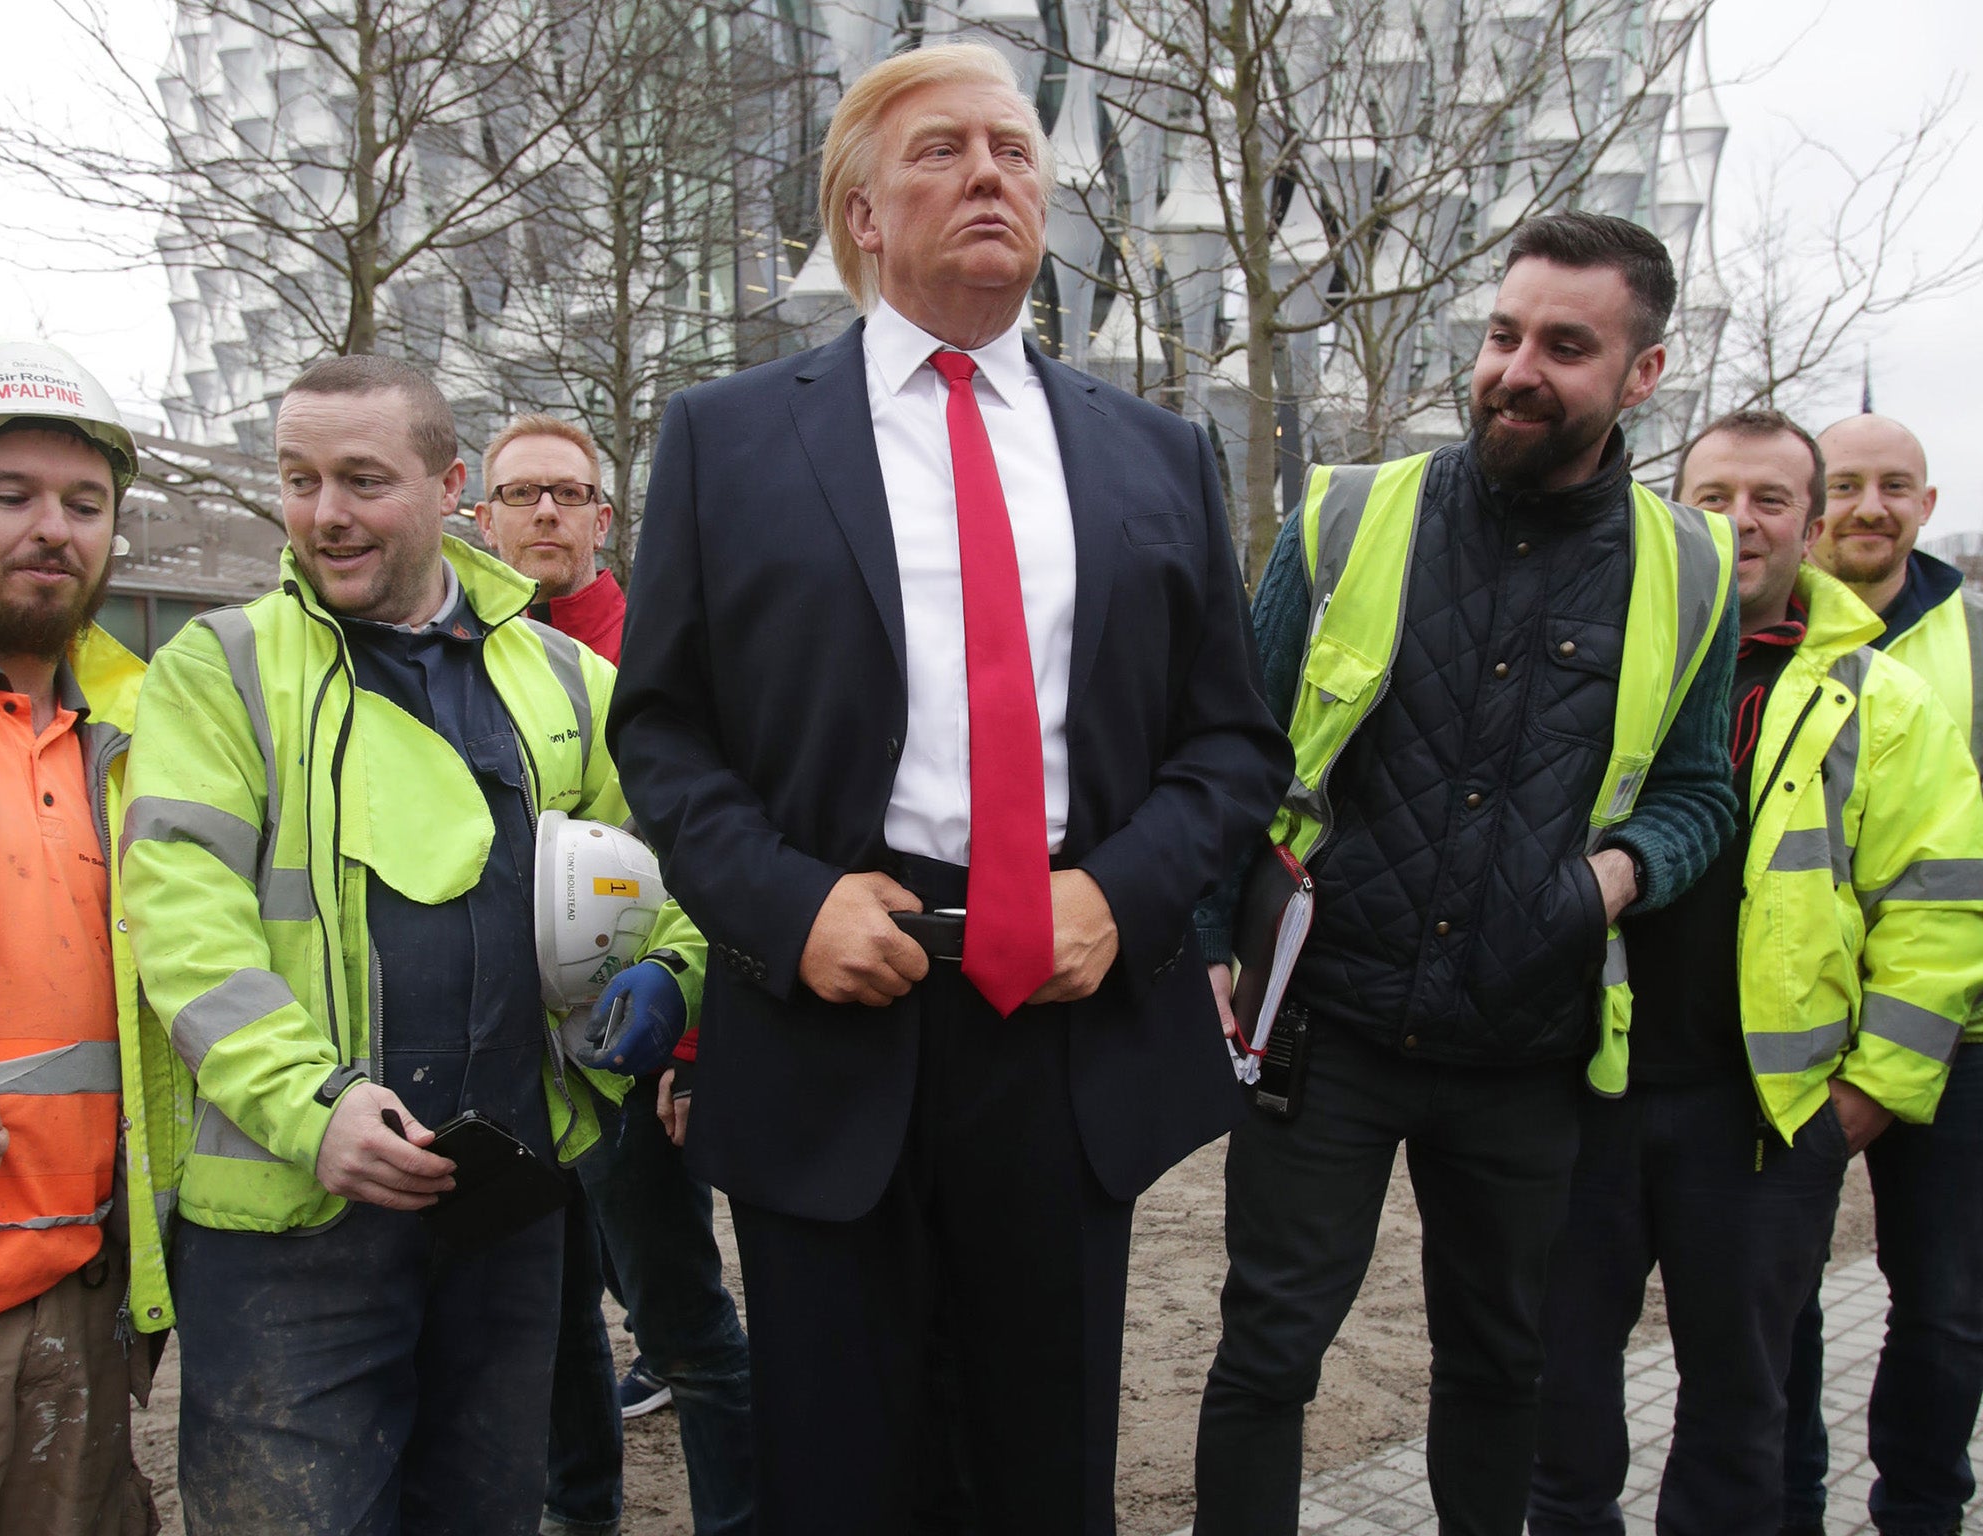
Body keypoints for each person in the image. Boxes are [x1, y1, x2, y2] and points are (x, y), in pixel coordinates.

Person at [611, 40, 1289, 1534]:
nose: (992, 172)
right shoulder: (727, 441)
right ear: (861, 214)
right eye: (942, 150)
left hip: (1063, 1021)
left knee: (1042, 1482)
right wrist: (786, 910)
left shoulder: (1159, 455)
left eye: (1015, 151)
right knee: (839, 1481)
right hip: (829, 1017)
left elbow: (1234, 748)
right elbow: (661, 733)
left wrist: (1118, 892)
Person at [1192, 211, 1742, 1536]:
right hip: (1324, 1030)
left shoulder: (1692, 566)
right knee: (1269, 1356)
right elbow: (1234, 748)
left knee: (1504, 1368)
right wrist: (1213, 938)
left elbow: (1697, 795)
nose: (1516, 369)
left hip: (1524, 1050)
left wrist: (1612, 881)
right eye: (1503, 335)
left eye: (1565, 346)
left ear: (1643, 374)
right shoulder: (1344, 514)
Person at [121, 355, 707, 1533]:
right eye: (299, 480)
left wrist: (671, 975)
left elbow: (675, 871)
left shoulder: (569, 680)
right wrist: (313, 1105)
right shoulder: (220, 671)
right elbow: (183, 925)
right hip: (293, 1231)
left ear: (447, 489)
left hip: (501, 1212)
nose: (324, 513)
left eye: (361, 479)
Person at [1526, 409, 1983, 1536]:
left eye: (1769, 500)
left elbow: (1936, 909)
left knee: (1739, 1425)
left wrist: (1865, 1098)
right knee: (1556, 1405)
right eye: (1711, 497)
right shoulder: (1583, 657)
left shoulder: (1879, 699)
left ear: (1809, 523)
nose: (1737, 523)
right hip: (1581, 1099)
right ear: (1666, 510)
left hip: (1764, 1124)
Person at [474, 412, 753, 1536]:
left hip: (630, 1045)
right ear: (478, 515)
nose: (544, 512)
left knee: (679, 1311)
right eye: (519, 494)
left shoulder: (664, 655)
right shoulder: (449, 661)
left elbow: (714, 858)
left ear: (603, 516)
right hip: (498, 1053)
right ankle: (579, 1513)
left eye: (567, 493)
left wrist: (690, 1045)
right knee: (544, 1318)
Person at [0, 338, 172, 1535]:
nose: (54, 529)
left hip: (88, 1293)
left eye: (85, 504)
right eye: (10, 496)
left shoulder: (136, 730)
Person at [1780, 412, 1983, 1536]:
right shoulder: (1756, 632)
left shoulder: (1974, 641)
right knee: (1779, 1305)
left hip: (1960, 1037)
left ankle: (1919, 1510)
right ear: (1816, 507)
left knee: (1946, 1312)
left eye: (1890, 487)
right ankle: (1786, 1509)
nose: (1868, 507)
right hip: (1793, 1039)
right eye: (1845, 485)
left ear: (1924, 505)